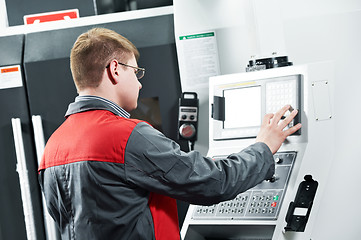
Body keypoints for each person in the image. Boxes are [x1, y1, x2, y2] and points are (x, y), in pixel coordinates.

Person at [38, 27, 301, 240]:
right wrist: (264, 147)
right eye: (136, 71)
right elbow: (213, 182)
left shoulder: (53, 148)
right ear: (115, 69)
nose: (140, 83)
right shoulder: (127, 137)